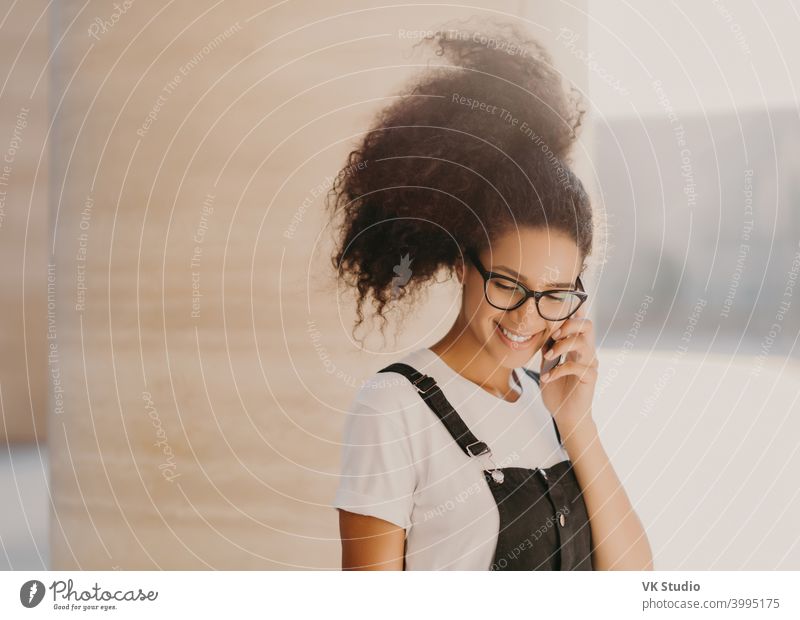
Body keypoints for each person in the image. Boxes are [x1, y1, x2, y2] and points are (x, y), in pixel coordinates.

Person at [326, 19, 653, 571]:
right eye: (508, 284)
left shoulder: (546, 403)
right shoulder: (394, 407)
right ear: (461, 259)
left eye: (555, 293)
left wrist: (577, 423)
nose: (528, 317)